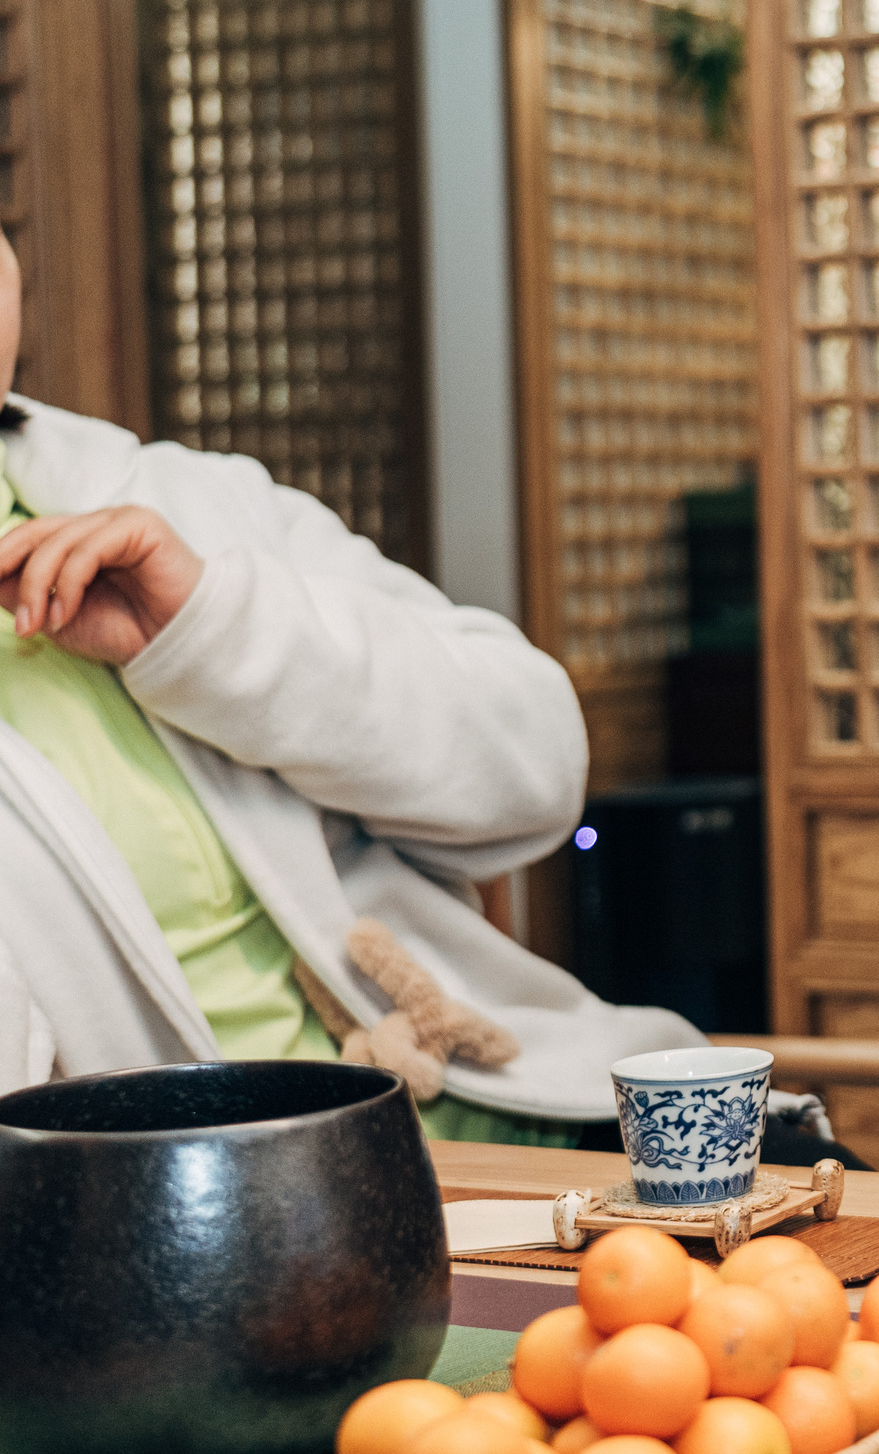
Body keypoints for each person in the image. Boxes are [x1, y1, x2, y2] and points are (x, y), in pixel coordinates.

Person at [0, 229, 699, 1140]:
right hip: (192, 1236)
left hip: (534, 1130)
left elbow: (538, 774)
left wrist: (216, 635)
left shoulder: (180, 500)